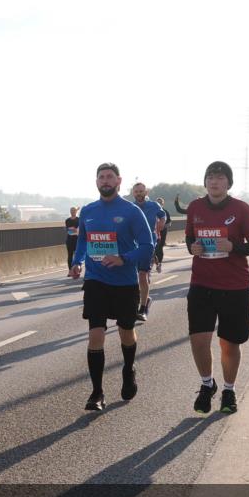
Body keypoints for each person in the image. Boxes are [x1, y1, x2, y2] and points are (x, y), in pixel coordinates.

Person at [69, 163, 153, 411]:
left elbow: (147, 245)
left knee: (125, 331)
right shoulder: (88, 211)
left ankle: (129, 369)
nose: (105, 180)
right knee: (95, 333)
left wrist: (123, 259)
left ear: (118, 181)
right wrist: (77, 262)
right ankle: (97, 392)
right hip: (96, 280)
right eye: (101, 177)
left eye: (109, 177)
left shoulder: (130, 211)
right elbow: (83, 240)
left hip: (125, 282)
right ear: (96, 182)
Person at [185, 161, 249, 415]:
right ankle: (207, 385)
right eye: (210, 177)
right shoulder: (195, 207)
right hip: (201, 284)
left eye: (219, 178)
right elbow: (189, 237)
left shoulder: (240, 209)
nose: (214, 182)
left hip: (234, 287)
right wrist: (192, 247)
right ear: (205, 182)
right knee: (199, 341)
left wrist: (233, 247)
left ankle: (229, 390)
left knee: (229, 345)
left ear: (228, 183)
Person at [131, 182, 166, 321]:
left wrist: (162, 222)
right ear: (133, 193)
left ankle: (143, 308)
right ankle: (140, 301)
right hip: (133, 245)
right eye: (136, 191)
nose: (139, 193)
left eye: (141, 191)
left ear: (146, 192)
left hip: (148, 244)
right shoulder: (131, 207)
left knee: (142, 275)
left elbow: (163, 215)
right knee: (132, 277)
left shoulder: (153, 205)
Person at [154, 198, 171, 273]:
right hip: (154, 232)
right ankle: (152, 264)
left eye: (160, 202)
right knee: (153, 249)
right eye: (157, 202)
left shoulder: (165, 212)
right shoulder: (152, 211)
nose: (159, 203)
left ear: (162, 204)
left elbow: (169, 222)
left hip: (163, 232)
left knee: (159, 247)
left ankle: (159, 263)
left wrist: (162, 226)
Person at [64, 206, 80, 271]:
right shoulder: (67, 220)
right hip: (69, 240)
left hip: (77, 240)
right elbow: (69, 230)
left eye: (74, 211)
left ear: (76, 211)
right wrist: (74, 229)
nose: (72, 212)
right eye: (71, 211)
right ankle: (70, 270)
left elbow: (79, 230)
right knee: (70, 256)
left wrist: (74, 229)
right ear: (70, 212)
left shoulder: (79, 219)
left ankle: (76, 269)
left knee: (77, 256)